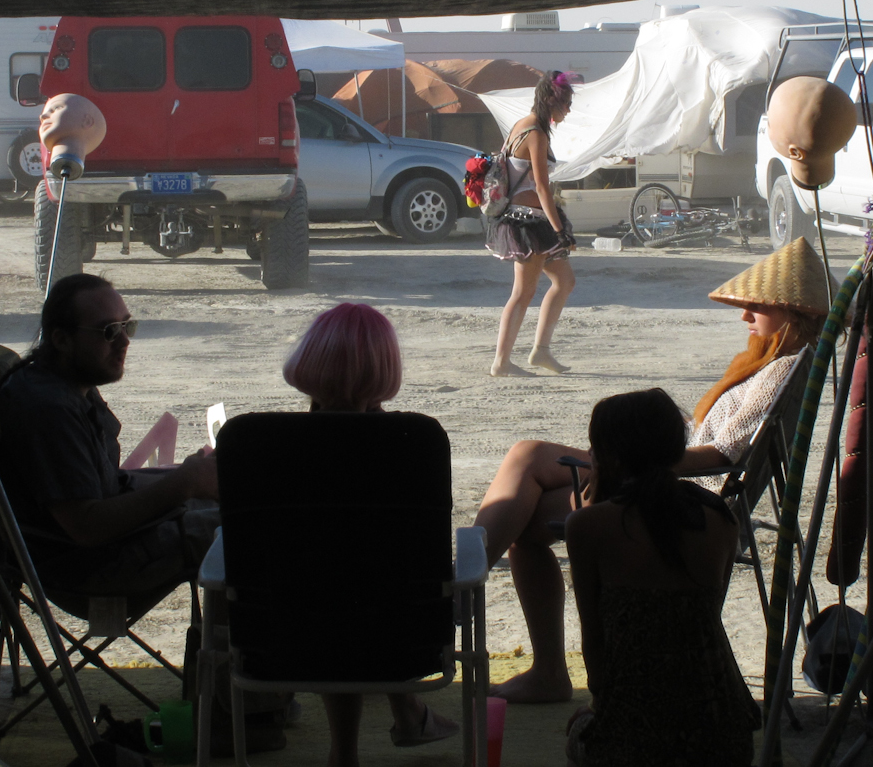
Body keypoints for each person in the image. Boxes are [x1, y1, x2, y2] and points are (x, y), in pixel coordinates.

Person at [471, 238, 829, 702]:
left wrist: (632, 454)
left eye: (755, 308)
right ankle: (486, 609)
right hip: (665, 467)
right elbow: (715, 439)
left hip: (675, 483)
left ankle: (467, 598)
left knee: (527, 491)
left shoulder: (778, 372)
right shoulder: (773, 363)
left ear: (790, 313)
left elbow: (723, 453)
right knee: (527, 465)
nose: (745, 317)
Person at [282, 302, 460, 767]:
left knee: (330, 581)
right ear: (386, 368)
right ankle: (408, 710)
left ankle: (346, 752)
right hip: (406, 635)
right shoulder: (414, 445)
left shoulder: (265, 446)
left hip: (285, 634)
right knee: (366, 580)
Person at [564, 388, 761, 766]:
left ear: (607, 456)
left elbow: (596, 644)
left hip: (635, 743)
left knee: (578, 734)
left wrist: (595, 709)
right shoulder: (721, 518)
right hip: (724, 736)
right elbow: (705, 618)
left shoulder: (588, 526)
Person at [0, 273, 220, 598]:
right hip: (86, 568)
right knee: (247, 530)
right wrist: (184, 483)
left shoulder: (69, 385)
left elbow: (109, 489)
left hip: (108, 544)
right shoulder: (47, 407)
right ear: (61, 340)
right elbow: (86, 526)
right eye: (109, 331)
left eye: (127, 326)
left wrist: (191, 478)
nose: (125, 341)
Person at [487, 69, 581, 377]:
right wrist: (559, 231)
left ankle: (541, 351)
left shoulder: (522, 125)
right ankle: (501, 362)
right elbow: (542, 187)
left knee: (564, 281)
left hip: (532, 220)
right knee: (523, 292)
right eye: (565, 104)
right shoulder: (536, 134)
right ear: (551, 103)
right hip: (528, 224)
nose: (568, 110)